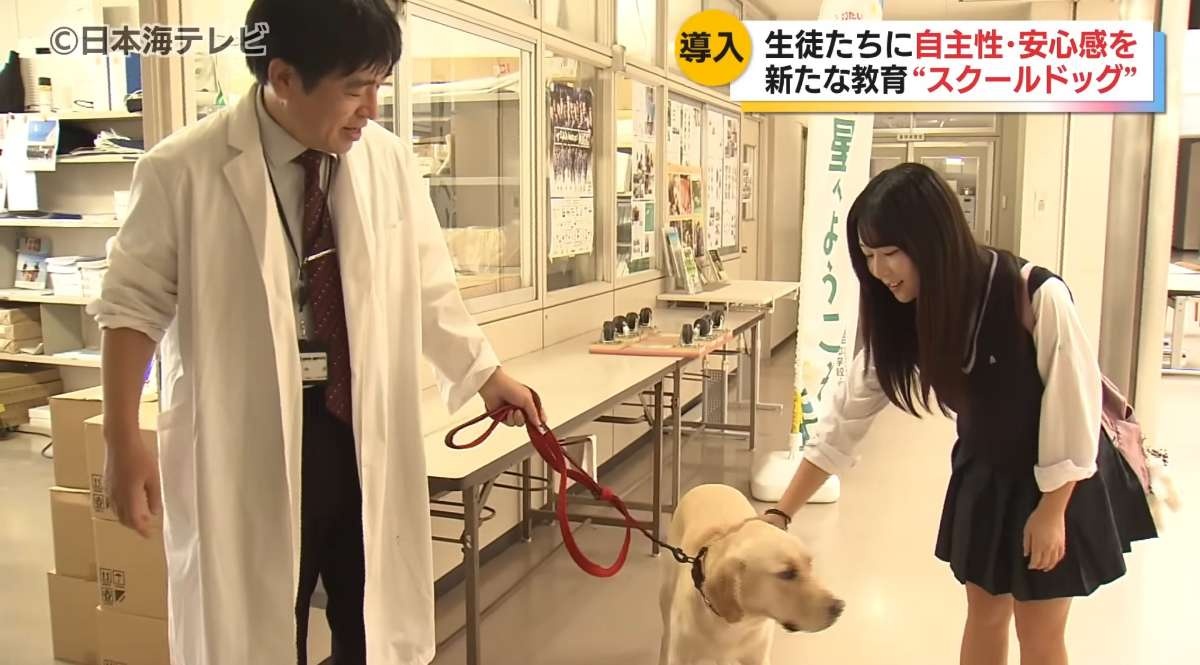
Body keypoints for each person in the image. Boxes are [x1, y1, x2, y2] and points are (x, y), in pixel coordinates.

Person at [88, 1, 543, 664]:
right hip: (246, 443)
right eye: (356, 89)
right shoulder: (180, 169)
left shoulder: (387, 162)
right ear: (282, 77)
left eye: (379, 86)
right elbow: (131, 308)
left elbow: (428, 287)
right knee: (260, 625)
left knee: (370, 617)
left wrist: (484, 374)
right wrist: (121, 437)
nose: (372, 110)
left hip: (355, 430)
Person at [762, 163, 1156, 665]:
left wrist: (1052, 511)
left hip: (1058, 479)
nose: (879, 271)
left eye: (890, 252)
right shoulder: (904, 310)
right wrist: (780, 513)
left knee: (1039, 628)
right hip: (985, 472)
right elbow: (844, 422)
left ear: (933, 240)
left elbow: (1074, 409)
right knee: (984, 613)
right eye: (868, 255)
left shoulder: (1034, 293)